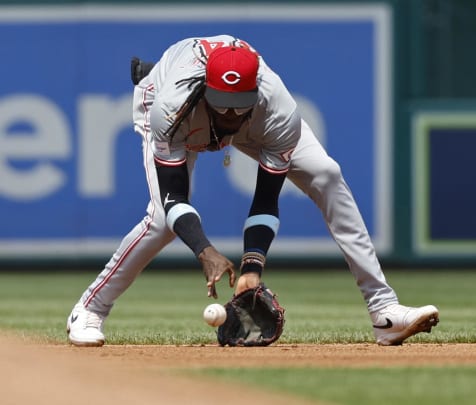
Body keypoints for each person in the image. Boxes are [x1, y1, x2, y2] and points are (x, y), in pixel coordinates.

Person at [66, 34, 439, 347]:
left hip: (248, 118)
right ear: (207, 90)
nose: (229, 115)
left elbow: (266, 197)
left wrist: (252, 266)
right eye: (223, 106)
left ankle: (384, 311)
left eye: (237, 107)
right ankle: (90, 310)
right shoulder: (168, 107)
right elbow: (173, 197)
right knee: (163, 221)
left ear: (254, 93)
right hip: (177, 107)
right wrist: (205, 250)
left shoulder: (276, 109)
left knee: (326, 173)